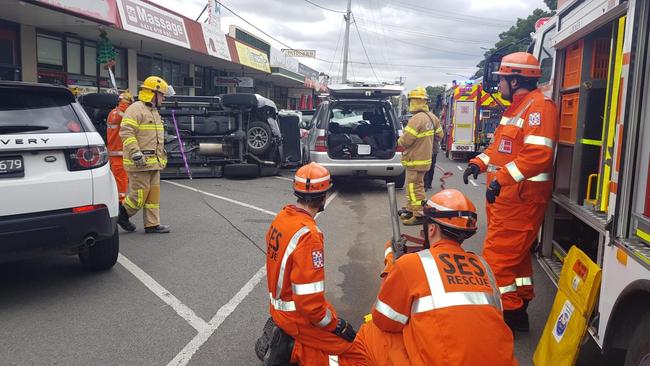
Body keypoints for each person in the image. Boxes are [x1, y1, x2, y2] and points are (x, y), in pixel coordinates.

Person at [355, 189, 517, 366]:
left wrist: (392, 267)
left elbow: (385, 320)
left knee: (371, 332)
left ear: (431, 229)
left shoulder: (411, 264)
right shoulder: (483, 266)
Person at [463, 52, 558, 332]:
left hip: (521, 200)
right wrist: (477, 163)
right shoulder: (518, 108)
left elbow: (538, 155)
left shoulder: (538, 107)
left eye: (502, 79)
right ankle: (521, 301)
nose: (499, 84)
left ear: (515, 80)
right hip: (509, 201)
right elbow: (500, 150)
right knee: (514, 261)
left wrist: (500, 180)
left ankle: (510, 315)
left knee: (496, 263)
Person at [258, 162, 365, 366]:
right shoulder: (309, 235)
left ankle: (290, 345)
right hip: (296, 317)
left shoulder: (282, 218)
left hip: (278, 309)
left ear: (296, 191)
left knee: (325, 336)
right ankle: (292, 349)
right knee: (356, 353)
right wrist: (337, 325)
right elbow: (310, 304)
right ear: (324, 196)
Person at [117, 76, 175, 234]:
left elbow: (152, 136)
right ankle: (122, 214)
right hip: (138, 162)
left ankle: (152, 224)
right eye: (162, 95)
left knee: (153, 195)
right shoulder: (136, 109)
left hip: (154, 162)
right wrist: (135, 152)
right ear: (153, 93)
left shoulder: (154, 111)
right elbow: (126, 132)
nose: (163, 98)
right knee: (139, 195)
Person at [398, 87, 442, 225]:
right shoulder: (432, 117)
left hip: (414, 160)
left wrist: (398, 140)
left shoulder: (416, 119)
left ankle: (418, 214)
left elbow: (406, 141)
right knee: (418, 186)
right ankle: (411, 210)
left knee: (414, 188)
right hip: (425, 160)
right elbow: (439, 135)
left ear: (414, 101)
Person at [106, 91, 133, 203]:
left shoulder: (113, 112)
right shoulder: (121, 114)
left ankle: (118, 201)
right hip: (118, 154)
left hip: (116, 153)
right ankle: (119, 204)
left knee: (120, 180)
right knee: (120, 181)